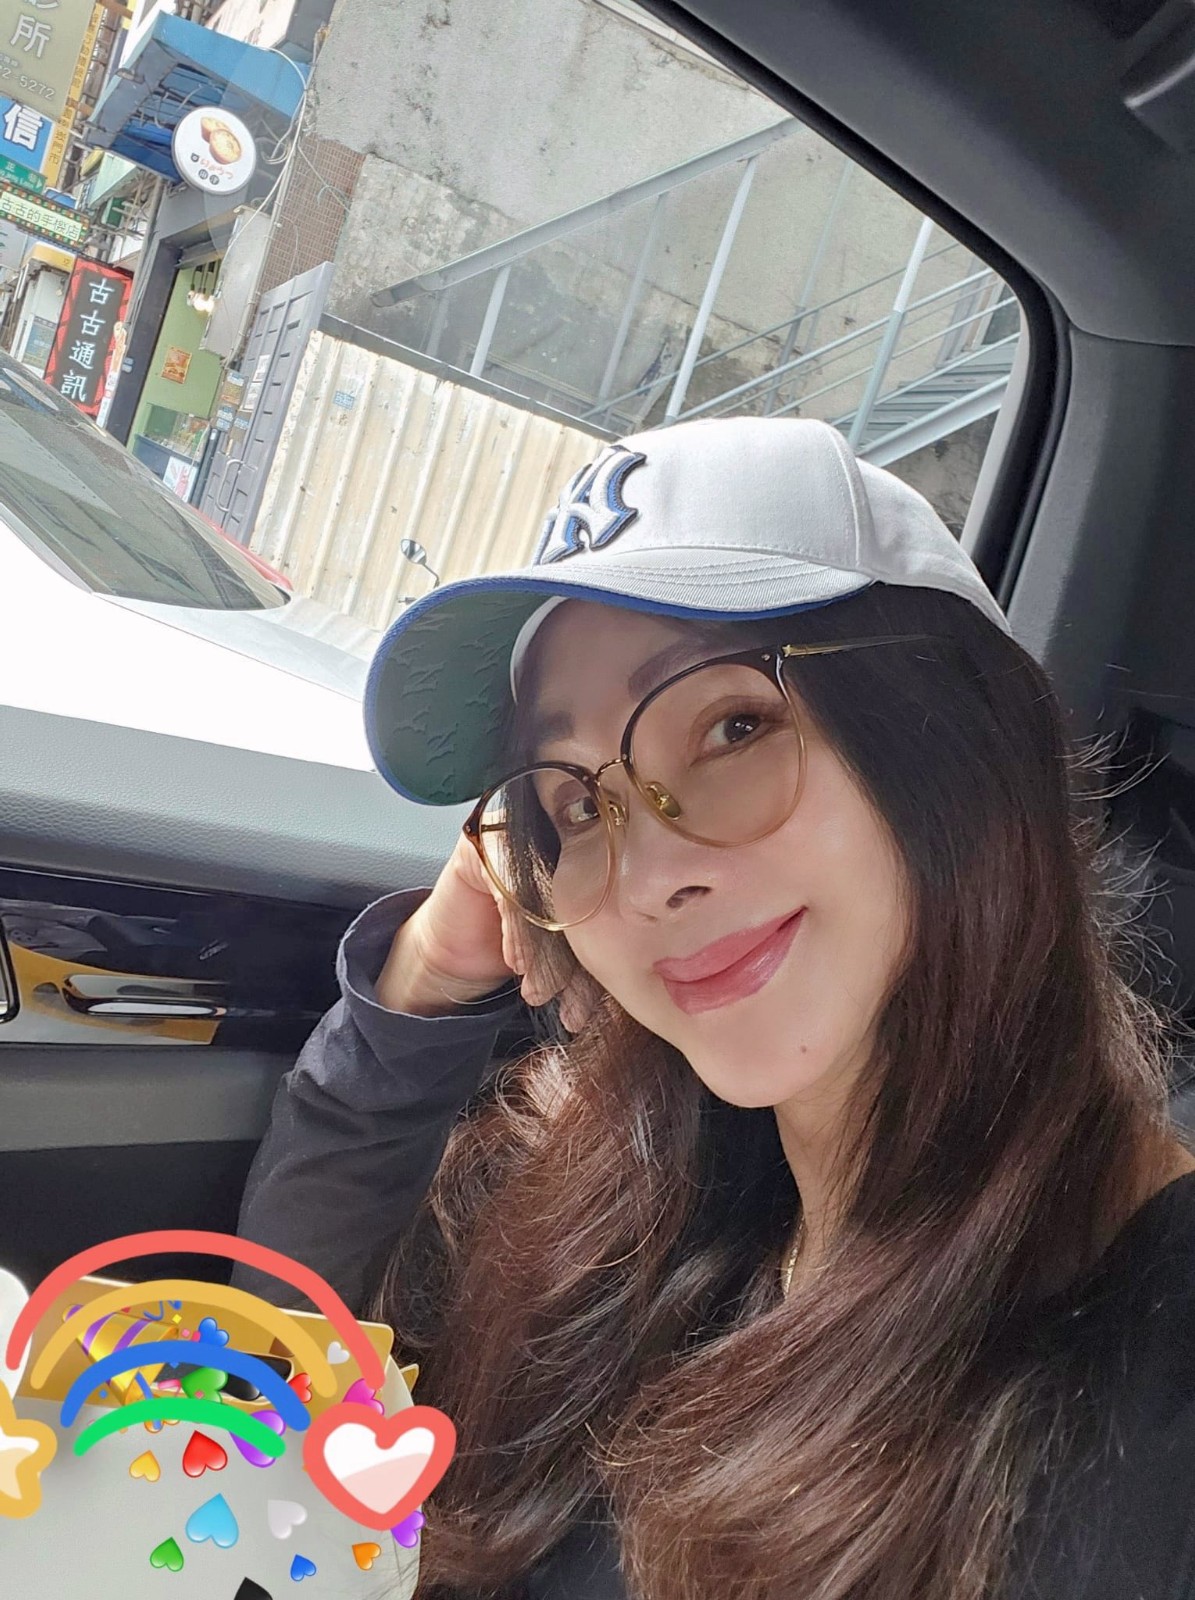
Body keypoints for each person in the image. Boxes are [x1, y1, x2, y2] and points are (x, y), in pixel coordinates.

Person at [237, 417, 1195, 1600]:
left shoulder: (1151, 1384)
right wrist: (424, 981)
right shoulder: (624, 1185)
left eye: (733, 728)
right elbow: (274, 1389)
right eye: (572, 803)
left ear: (963, 738)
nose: (645, 876)